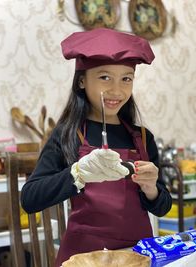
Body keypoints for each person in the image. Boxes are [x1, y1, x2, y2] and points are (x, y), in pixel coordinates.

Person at [21, 28, 172, 266]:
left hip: (134, 256)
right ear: (82, 80)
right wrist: (77, 173)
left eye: (126, 78)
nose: (116, 90)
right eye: (104, 77)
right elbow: (30, 199)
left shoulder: (143, 137)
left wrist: (152, 189)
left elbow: (163, 207)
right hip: (83, 258)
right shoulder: (67, 134)